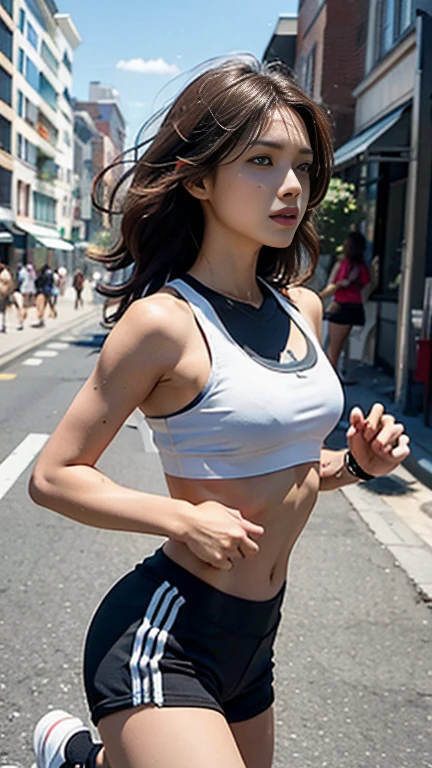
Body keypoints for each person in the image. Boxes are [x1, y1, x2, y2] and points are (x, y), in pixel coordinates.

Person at [29, 57, 410, 768]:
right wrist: (182, 517)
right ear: (200, 178)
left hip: (253, 640)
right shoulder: (165, 324)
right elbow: (53, 476)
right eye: (261, 161)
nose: (290, 185)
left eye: (300, 164)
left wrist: (355, 463)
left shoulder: (302, 308)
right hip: (165, 631)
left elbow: (280, 470)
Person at [320, 232, 371, 375]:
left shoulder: (342, 264)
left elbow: (331, 286)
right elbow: (368, 286)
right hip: (355, 308)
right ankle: (338, 376)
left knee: (333, 349)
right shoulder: (361, 268)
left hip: (341, 307)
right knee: (339, 347)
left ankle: (330, 381)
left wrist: (320, 296)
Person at [0, 261, 14, 332]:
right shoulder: (6, 274)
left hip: (2, 294)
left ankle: (2, 325)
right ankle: (3, 325)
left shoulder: (4, 274)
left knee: (2, 310)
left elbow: (7, 284)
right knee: (3, 311)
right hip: (4, 293)